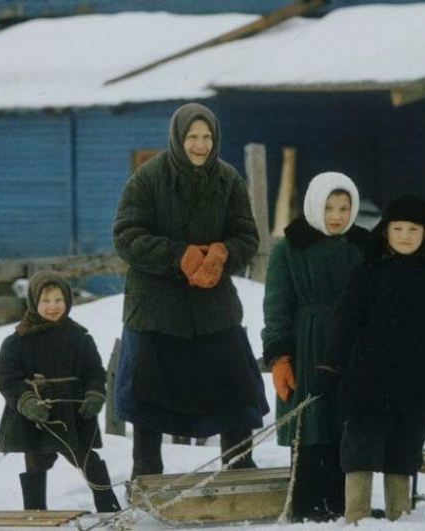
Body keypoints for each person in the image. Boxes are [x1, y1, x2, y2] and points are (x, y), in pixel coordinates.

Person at [111, 102, 269, 479]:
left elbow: (246, 235)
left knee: (235, 384)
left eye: (207, 137)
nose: (200, 145)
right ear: (178, 139)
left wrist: (220, 255)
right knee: (148, 391)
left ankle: (239, 466)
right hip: (155, 307)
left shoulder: (228, 179)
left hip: (212, 305)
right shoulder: (147, 178)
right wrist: (178, 256)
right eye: (192, 137)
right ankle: (146, 472)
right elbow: (126, 236)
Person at [313, 193, 425, 523]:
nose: (405, 236)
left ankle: (400, 516)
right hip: (367, 380)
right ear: (385, 232)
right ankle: (356, 517)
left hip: (416, 382)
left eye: (413, 229)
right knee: (360, 450)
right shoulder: (366, 273)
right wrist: (329, 366)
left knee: (404, 451)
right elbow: (346, 324)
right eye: (398, 229)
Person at [261, 172, 368, 522]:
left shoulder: (364, 245)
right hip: (308, 346)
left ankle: (345, 503)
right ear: (313, 205)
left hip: (353, 346)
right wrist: (279, 357)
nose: (336, 215)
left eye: (344, 207)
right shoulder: (290, 247)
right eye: (329, 207)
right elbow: (276, 306)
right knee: (311, 422)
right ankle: (307, 505)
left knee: (347, 423)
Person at [0, 270, 121, 513]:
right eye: (46, 301)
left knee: (85, 457)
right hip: (37, 415)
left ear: (68, 301)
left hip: (72, 413)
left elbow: (94, 372)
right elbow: (7, 378)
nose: (53, 307)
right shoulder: (18, 341)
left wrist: (94, 394)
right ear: (33, 301)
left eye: (59, 300)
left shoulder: (79, 338)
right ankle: (35, 512)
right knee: (35, 462)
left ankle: (109, 506)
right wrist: (26, 401)